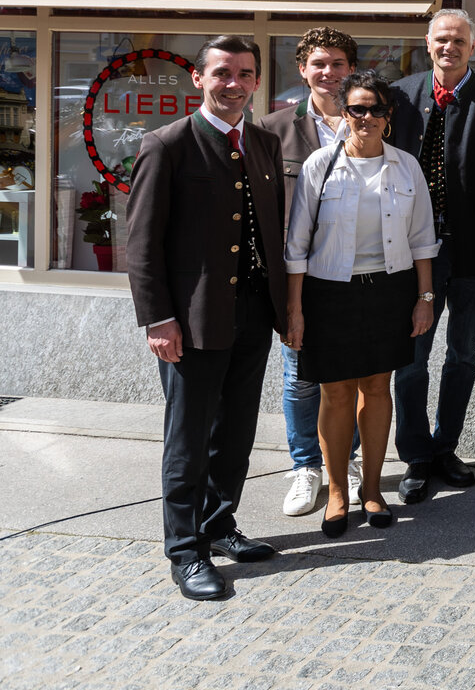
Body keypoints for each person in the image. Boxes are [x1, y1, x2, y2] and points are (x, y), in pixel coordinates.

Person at [127, 35, 287, 601]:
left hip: (251, 314)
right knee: (188, 439)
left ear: (256, 81)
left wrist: (284, 311)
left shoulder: (264, 143)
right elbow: (142, 246)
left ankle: (220, 525)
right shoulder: (166, 144)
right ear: (199, 79)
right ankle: (186, 549)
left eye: (245, 74)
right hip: (190, 322)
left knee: (236, 433)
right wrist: (158, 319)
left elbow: (273, 235)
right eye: (222, 73)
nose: (234, 84)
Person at [284, 71, 438, 537]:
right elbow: (296, 245)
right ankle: (336, 492)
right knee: (335, 393)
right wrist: (295, 310)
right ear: (344, 113)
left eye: (376, 109)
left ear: (389, 116)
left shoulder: (407, 166)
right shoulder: (319, 165)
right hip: (330, 291)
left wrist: (424, 299)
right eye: (357, 109)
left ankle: (372, 489)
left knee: (376, 388)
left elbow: (422, 240)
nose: (366, 117)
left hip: (389, 291)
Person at [388, 8, 475, 504]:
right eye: (442, 38)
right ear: (428, 43)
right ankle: (415, 455)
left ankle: (446, 448)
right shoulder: (398, 97)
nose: (450, 46)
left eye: (459, 40)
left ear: (473, 44)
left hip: (470, 255)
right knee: (412, 360)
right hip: (409, 257)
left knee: (462, 357)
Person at [256, 26, 360, 518]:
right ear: (302, 70)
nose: (329, 73)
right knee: (299, 377)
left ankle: (350, 462)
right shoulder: (274, 129)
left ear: (351, 70)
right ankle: (306, 467)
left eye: (338, 64)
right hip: (299, 275)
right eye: (319, 64)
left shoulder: (373, 121)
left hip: (361, 271)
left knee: (357, 373)